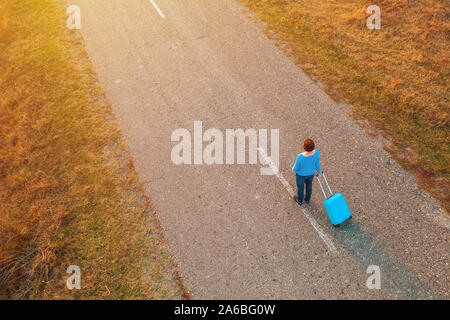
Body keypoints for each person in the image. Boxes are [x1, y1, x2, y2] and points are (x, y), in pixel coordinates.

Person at [292, 138, 321, 206]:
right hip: (311, 174)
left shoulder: (300, 156)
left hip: (301, 175)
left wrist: (293, 169)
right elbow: (317, 163)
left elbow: (295, 168)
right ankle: (307, 199)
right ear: (313, 146)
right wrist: (319, 171)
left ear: (304, 147)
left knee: (300, 188)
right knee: (309, 186)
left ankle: (300, 200)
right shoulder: (316, 152)